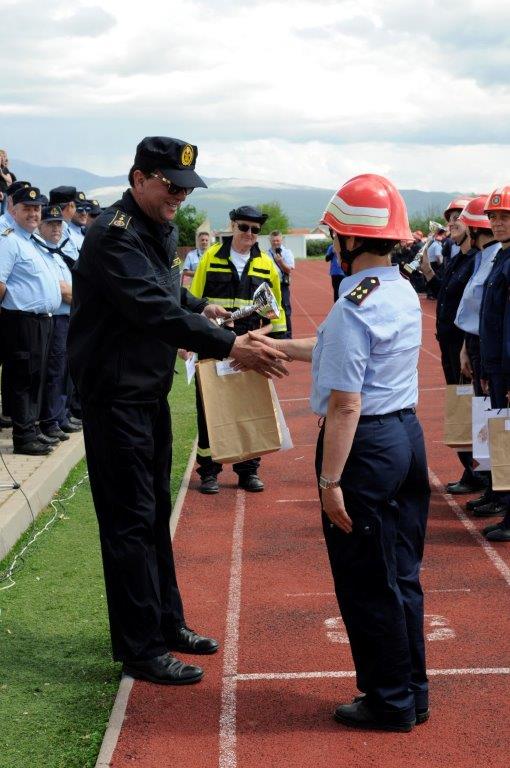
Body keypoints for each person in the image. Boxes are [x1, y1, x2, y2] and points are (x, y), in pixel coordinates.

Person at [67, 136, 288, 686]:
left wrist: (201, 304)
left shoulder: (154, 227)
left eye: (187, 187)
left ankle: (166, 622)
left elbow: (167, 292)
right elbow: (147, 305)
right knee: (129, 522)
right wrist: (227, 343)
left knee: (154, 510)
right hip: (115, 398)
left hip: (145, 392)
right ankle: (140, 648)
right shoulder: (111, 237)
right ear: (138, 177)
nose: (181, 197)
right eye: (171, 185)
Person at [252, 174, 430, 732]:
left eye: (335, 234)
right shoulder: (393, 289)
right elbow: (338, 347)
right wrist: (275, 345)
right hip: (405, 437)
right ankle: (412, 692)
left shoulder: (355, 303)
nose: (331, 242)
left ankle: (388, 702)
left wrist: (330, 483)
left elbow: (347, 402)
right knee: (401, 575)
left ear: (350, 240)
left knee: (366, 582)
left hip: (366, 447)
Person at [189, 205, 286, 494]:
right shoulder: (210, 257)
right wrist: (188, 340)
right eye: (244, 227)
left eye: (255, 230)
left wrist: (272, 341)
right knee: (209, 407)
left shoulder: (266, 264)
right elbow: (194, 300)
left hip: (252, 344)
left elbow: (276, 312)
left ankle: (248, 471)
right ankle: (209, 472)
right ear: (232, 226)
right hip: (213, 342)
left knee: (250, 403)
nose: (249, 234)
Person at [420, 205, 483, 495]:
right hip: (450, 346)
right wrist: (427, 270)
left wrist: (467, 347)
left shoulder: (477, 260)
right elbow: (445, 290)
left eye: (459, 218)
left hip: (464, 347)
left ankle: (481, 476)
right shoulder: (460, 258)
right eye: (450, 219)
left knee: (470, 410)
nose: (452, 223)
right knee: (461, 410)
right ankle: (472, 472)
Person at [0, 186, 63, 455]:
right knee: (23, 377)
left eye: (37, 208)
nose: (34, 213)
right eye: (27, 208)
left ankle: (32, 428)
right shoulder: (9, 239)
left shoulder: (30, 240)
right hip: (22, 321)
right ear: (13, 209)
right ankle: (23, 437)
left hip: (42, 321)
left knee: (37, 377)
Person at [453, 197, 500, 515]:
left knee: (498, 422)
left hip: (491, 350)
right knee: (486, 419)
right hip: (476, 345)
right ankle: (492, 487)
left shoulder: (497, 259)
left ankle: (500, 493)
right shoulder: (484, 257)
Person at [477, 187, 510, 542]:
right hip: (497, 365)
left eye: (505, 217)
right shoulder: (501, 257)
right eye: (494, 217)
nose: (498, 223)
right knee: (505, 437)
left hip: (507, 366)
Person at [32, 205, 74, 442]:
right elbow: (63, 290)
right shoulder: (42, 251)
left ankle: (59, 416)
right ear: (41, 226)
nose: (56, 228)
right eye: (51, 224)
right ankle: (50, 420)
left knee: (65, 370)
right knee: (55, 371)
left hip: (67, 317)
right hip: (56, 317)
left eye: (59, 224)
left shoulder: (56, 251)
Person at [267, 230, 294, 337]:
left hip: (282, 285)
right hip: (270, 286)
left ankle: (288, 335)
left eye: (277, 240)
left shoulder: (287, 252)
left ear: (281, 240)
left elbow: (289, 270)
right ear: (270, 240)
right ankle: (273, 334)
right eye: (273, 240)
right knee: (270, 309)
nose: (276, 242)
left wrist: (280, 261)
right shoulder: (266, 254)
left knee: (285, 309)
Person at [325, 236, 345, 301]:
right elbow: (327, 259)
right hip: (334, 273)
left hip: (343, 273)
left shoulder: (344, 247)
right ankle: (336, 306)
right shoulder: (331, 247)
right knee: (336, 291)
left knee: (343, 290)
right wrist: (333, 252)